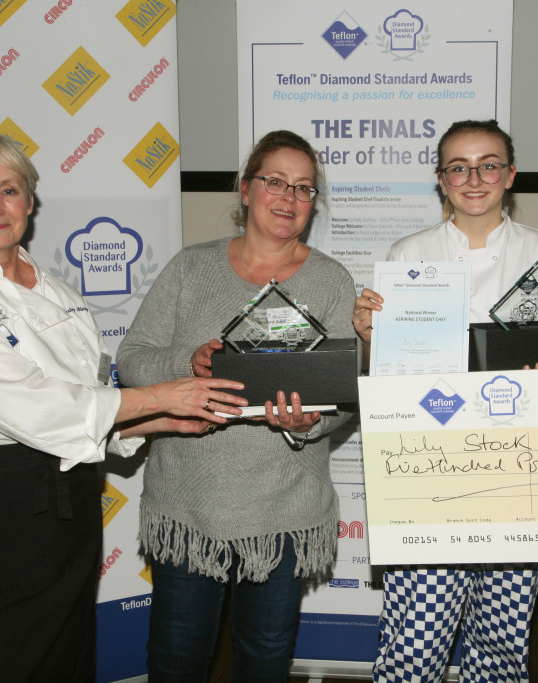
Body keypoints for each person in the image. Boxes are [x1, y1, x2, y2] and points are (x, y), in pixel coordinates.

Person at [0, 130, 247, 682]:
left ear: (29, 202)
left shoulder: (57, 292)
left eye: (8, 190)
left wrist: (158, 420)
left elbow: (88, 392)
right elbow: (30, 406)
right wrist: (160, 395)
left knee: (66, 658)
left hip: (66, 510)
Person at [115, 129, 357, 681]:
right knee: (177, 661)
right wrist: (190, 360)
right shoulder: (189, 268)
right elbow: (132, 359)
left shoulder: (330, 281)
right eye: (275, 181)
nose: (289, 198)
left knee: (265, 663)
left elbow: (345, 390)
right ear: (245, 189)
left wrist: (311, 422)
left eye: (304, 187)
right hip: (188, 505)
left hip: (284, 512)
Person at [353, 120, 538, 683]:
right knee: (415, 643)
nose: (474, 178)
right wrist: (370, 337)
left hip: (517, 471)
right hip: (429, 471)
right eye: (458, 166)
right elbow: (392, 376)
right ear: (440, 179)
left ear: (510, 174)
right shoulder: (409, 254)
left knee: (501, 645)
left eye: (488, 164)